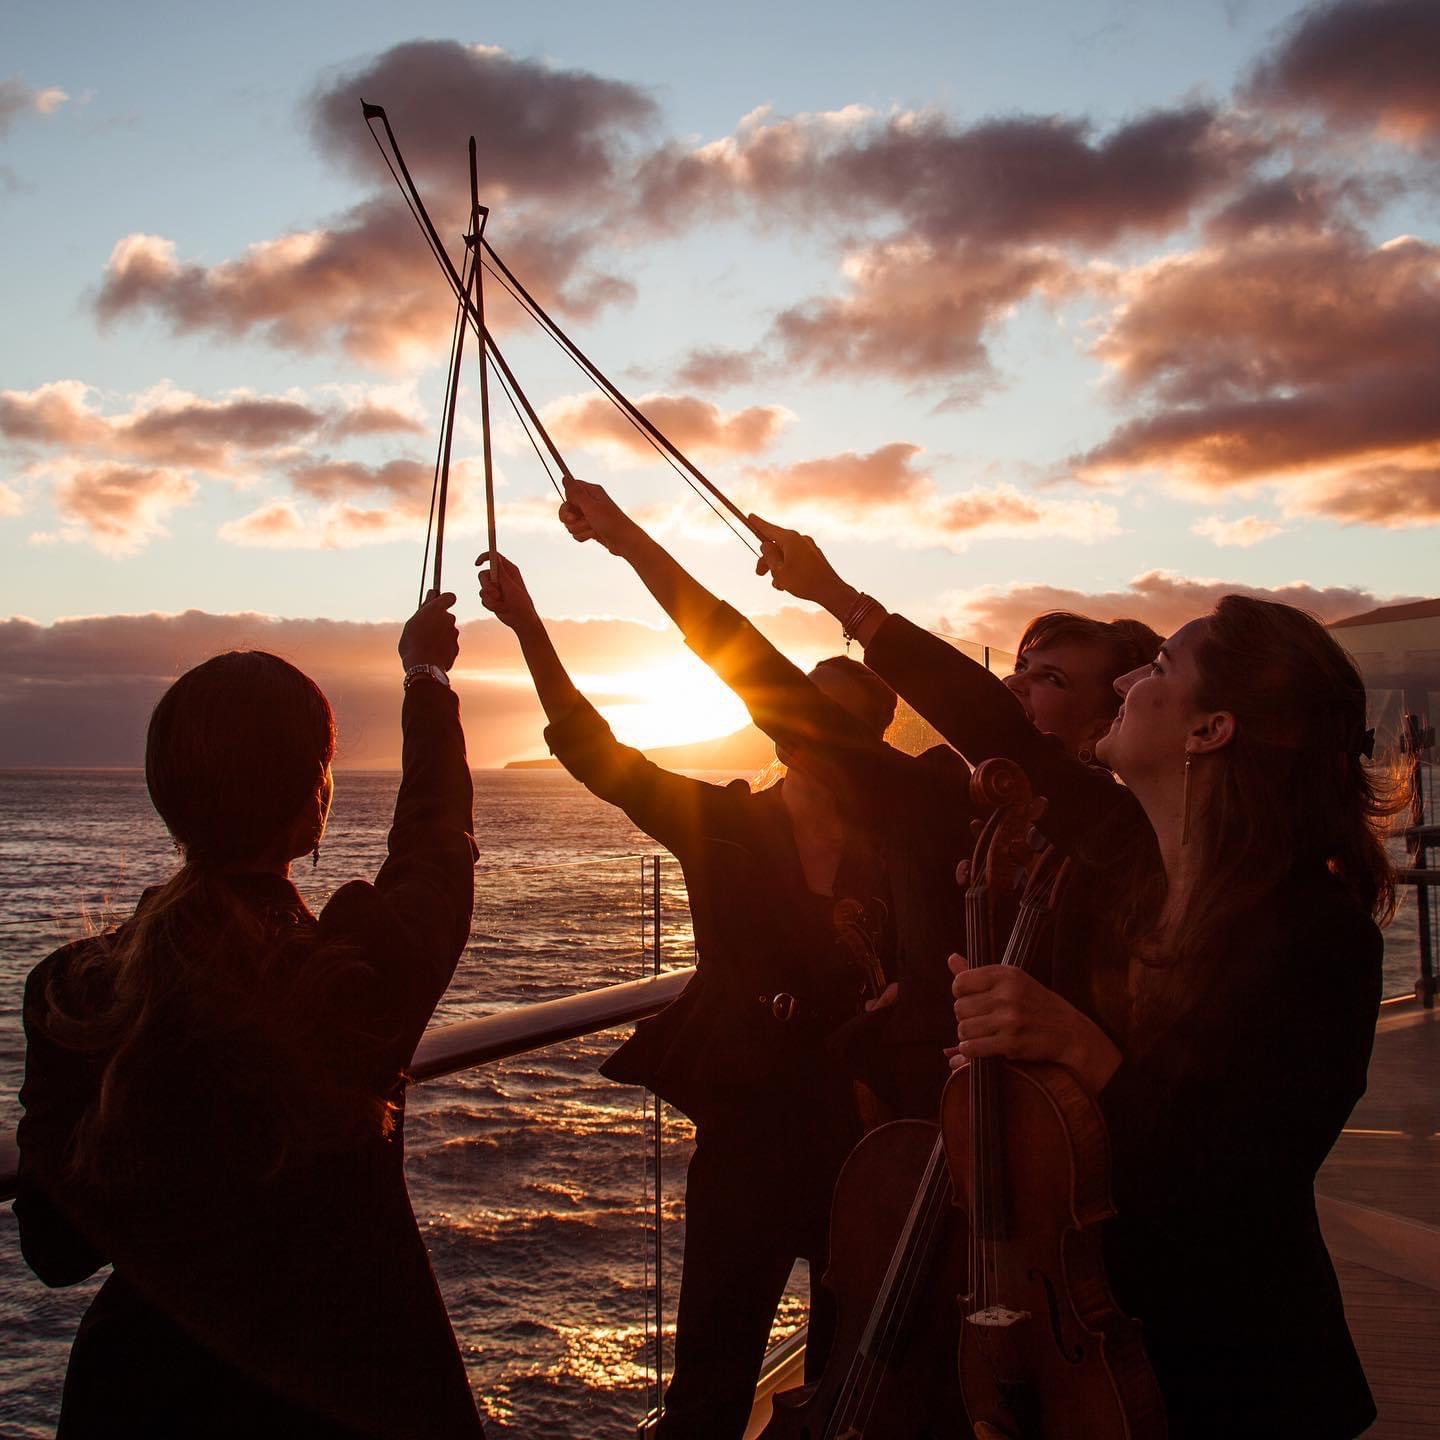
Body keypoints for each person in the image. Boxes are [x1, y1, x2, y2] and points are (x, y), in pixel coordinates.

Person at [755, 522, 1393, 1436]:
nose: (1130, 682)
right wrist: (838, 598)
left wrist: (1074, 1046)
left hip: (1237, 1373)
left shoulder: (1318, 937)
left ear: (1212, 730)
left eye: (1160, 671)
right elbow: (993, 723)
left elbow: (1237, 1188)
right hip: (1099, 1349)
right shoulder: (1131, 862)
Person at [16, 593, 485, 1439]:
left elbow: (56, 1251)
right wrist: (425, 676)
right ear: (317, 796)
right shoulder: (350, 971)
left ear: (170, 798)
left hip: (137, 1399)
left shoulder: (73, 991)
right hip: (345, 1392)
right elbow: (435, 843)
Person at [555, 477, 1160, 1120]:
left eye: (1053, 680)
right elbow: (769, 684)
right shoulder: (938, 801)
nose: (1013, 684)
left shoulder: (1133, 856)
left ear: (1104, 724)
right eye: (1021, 666)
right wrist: (630, 542)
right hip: (919, 1127)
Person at [477, 548, 895, 1440]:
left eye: (846, 723)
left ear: (877, 742)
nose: (823, 737)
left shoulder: (907, 859)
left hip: (863, 1148)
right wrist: (530, 628)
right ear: (783, 728)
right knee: (707, 1391)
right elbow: (599, 755)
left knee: (846, 1385)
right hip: (744, 1142)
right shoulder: (727, 827)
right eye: (809, 716)